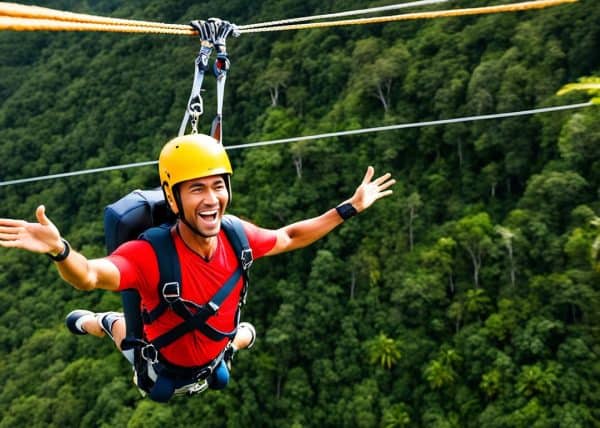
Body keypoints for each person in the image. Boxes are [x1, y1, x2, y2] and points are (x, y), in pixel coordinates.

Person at [0, 133, 395, 401]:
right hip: (161, 365)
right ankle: (97, 322)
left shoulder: (237, 235)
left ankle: (236, 341)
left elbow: (290, 236)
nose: (211, 199)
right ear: (173, 201)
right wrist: (60, 250)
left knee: (237, 340)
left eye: (218, 186)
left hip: (213, 352)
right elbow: (87, 276)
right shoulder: (149, 255)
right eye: (196, 188)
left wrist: (351, 206)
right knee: (124, 332)